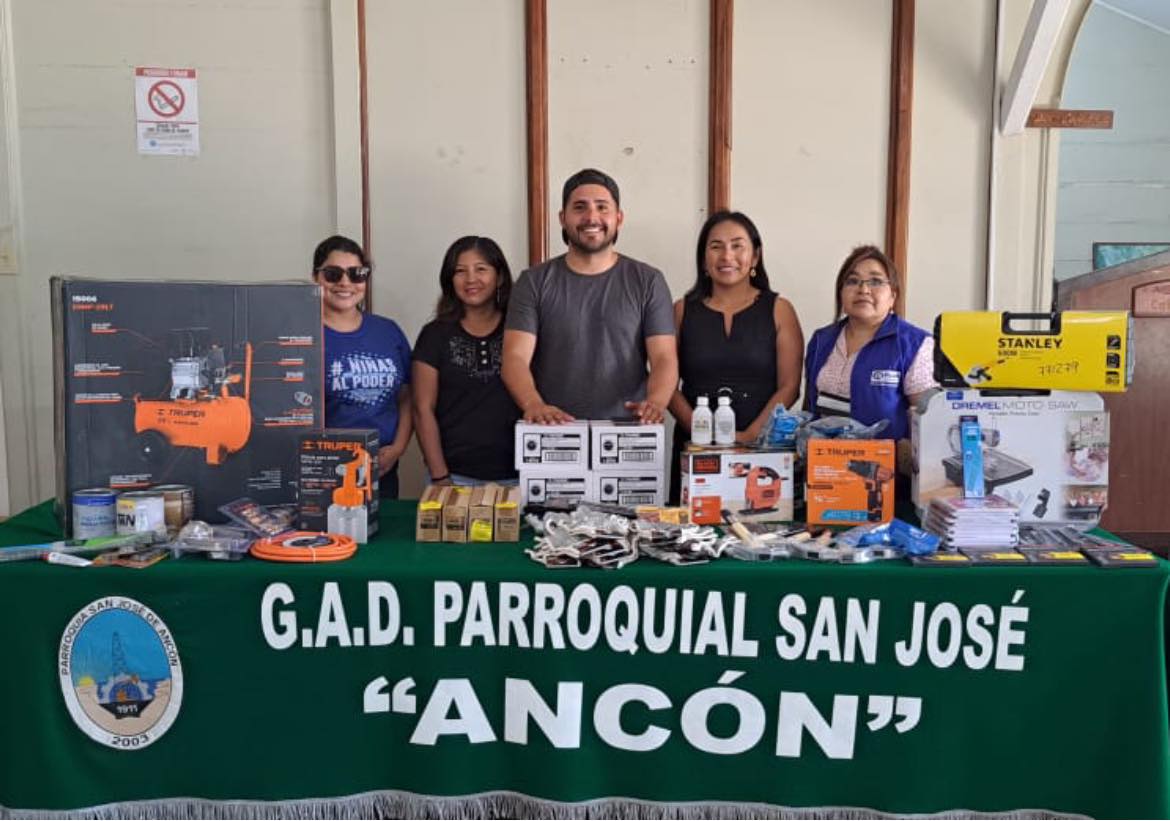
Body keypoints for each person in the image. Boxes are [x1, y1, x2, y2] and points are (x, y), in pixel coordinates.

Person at [502, 168, 678, 423]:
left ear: (619, 218)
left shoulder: (648, 281)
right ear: (563, 218)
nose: (591, 217)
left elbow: (664, 357)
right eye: (580, 207)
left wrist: (656, 403)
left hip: (627, 431)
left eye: (602, 207)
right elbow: (515, 357)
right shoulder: (533, 282)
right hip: (552, 430)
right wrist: (533, 404)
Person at [668, 211, 804, 500]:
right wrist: (700, 432)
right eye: (716, 246)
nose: (726, 256)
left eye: (737, 245)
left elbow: (790, 386)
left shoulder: (779, 309)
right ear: (703, 258)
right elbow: (664, 379)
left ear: (755, 256)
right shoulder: (681, 310)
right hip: (695, 447)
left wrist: (749, 436)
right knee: (690, 525)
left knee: (759, 517)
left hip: (761, 449)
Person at [412, 236, 520, 485]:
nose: (471, 279)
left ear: (499, 276)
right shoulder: (434, 334)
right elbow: (422, 409)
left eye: (481, 269)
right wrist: (440, 476)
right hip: (455, 476)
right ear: (450, 280)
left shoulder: (520, 330)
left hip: (520, 475)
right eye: (460, 271)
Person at [803, 245, 936, 444]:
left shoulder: (915, 345)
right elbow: (809, 409)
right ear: (841, 293)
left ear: (893, 296)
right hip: (823, 459)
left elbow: (929, 423)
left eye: (875, 281)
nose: (863, 289)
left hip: (887, 462)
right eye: (852, 281)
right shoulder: (821, 340)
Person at [313, 235, 412, 499]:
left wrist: (398, 448)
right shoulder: (301, 337)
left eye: (356, 274)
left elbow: (408, 395)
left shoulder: (388, 331)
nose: (345, 282)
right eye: (333, 274)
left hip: (383, 466)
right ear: (316, 278)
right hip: (323, 469)